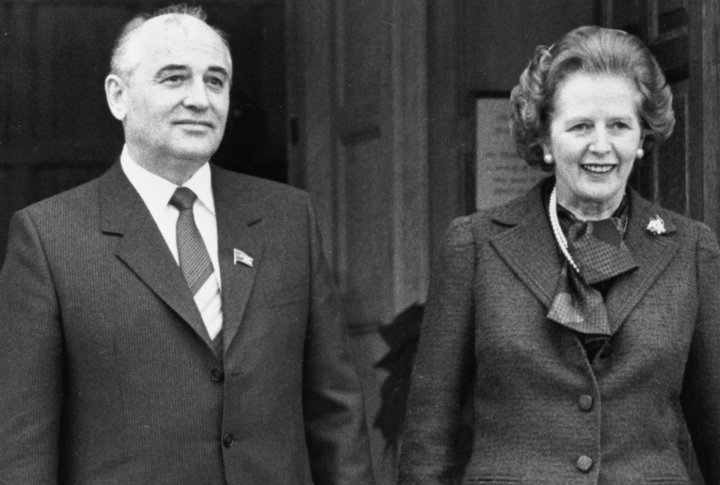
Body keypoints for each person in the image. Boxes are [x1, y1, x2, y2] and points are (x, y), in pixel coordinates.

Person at [0, 5, 375, 484]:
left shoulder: (287, 218)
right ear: (119, 96)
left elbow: (335, 411)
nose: (201, 99)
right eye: (175, 79)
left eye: (215, 81)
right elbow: (22, 445)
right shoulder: (49, 237)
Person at [398, 25, 720, 483]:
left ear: (642, 139)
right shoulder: (475, 245)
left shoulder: (691, 250)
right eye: (581, 126)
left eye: (619, 126)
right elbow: (428, 438)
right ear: (545, 140)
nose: (601, 146)